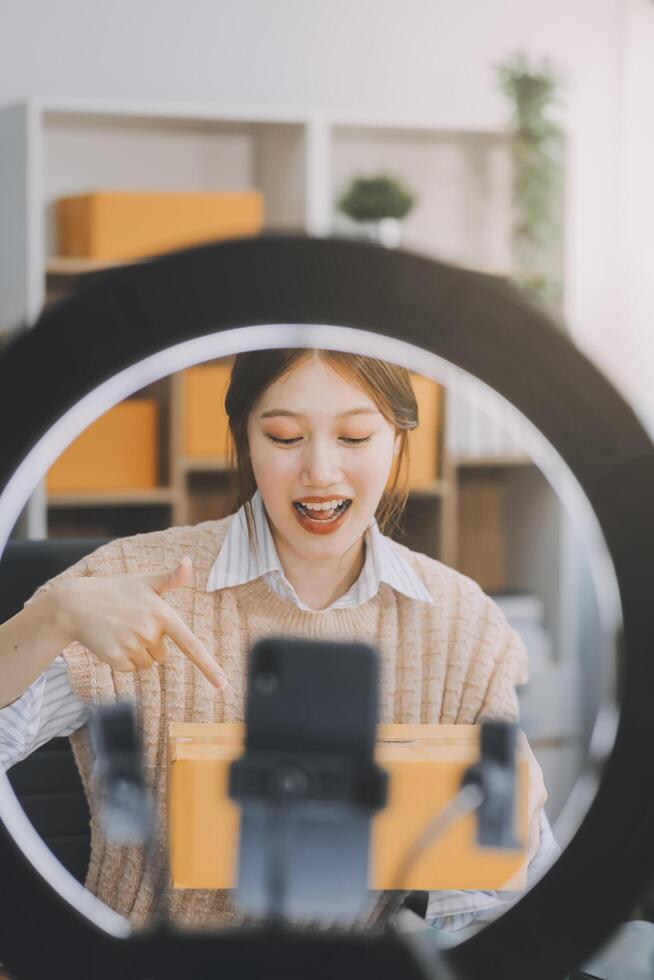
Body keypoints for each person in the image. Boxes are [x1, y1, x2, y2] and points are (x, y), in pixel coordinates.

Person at [0, 348, 557, 932]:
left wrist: (503, 824)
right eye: (286, 437)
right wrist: (50, 617)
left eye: (356, 436)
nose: (320, 471)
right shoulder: (129, 581)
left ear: (398, 438)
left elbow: (493, 904)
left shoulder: (460, 622)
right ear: (245, 439)